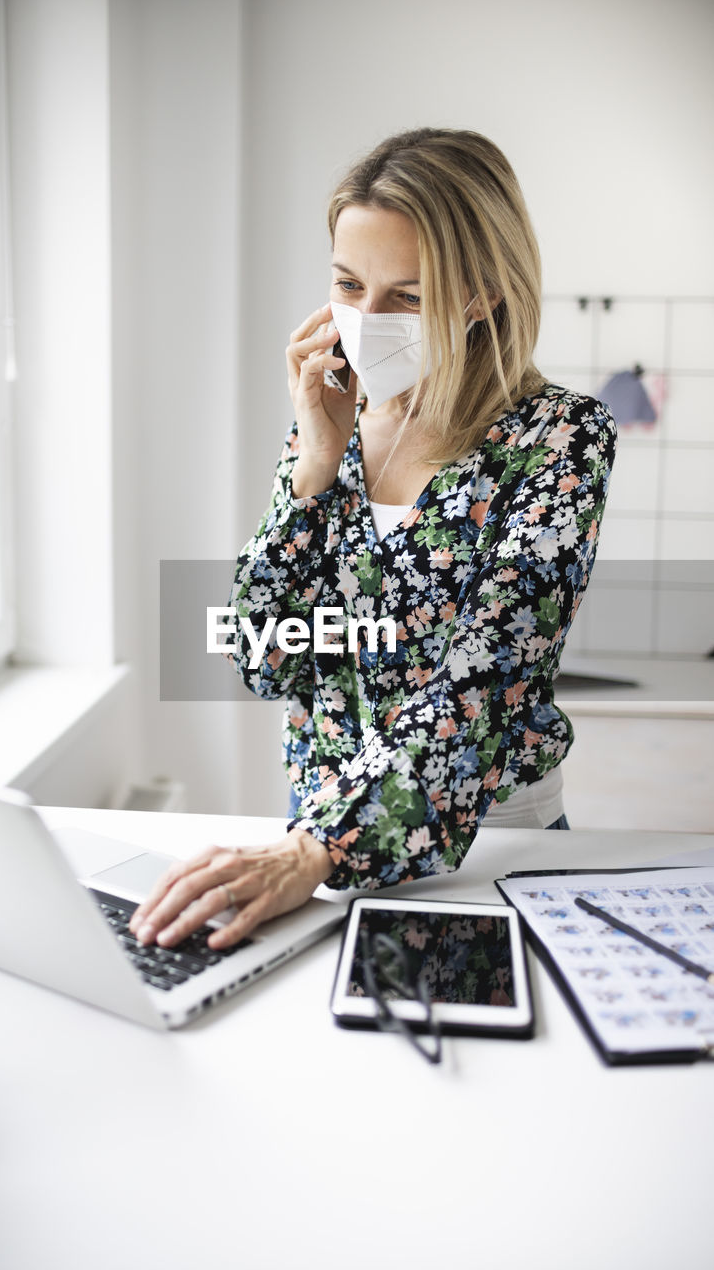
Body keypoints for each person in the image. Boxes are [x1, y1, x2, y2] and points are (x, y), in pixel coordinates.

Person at [129, 127, 616, 954]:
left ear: (480, 294)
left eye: (406, 296)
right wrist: (313, 463)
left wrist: (314, 851)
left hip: (487, 842)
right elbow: (261, 657)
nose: (365, 320)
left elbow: (483, 681)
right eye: (348, 286)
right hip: (312, 842)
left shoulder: (558, 438)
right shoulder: (334, 419)